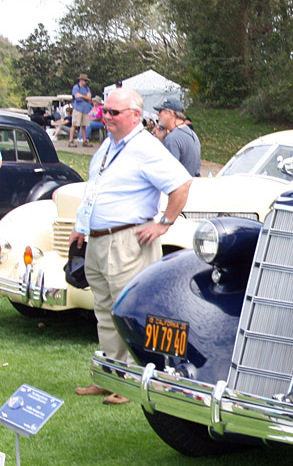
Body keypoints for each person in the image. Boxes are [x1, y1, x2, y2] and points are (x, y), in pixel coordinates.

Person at [70, 88, 192, 405]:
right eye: (104, 112)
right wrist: (81, 226)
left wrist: (164, 223)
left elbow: (181, 184)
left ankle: (136, 379)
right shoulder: (108, 147)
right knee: (104, 310)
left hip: (126, 240)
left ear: (135, 116)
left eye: (114, 113)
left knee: (131, 312)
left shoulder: (146, 148)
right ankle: (112, 374)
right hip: (98, 240)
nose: (106, 117)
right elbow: (96, 189)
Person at [155, 97, 202, 176]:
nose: (158, 114)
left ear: (171, 113)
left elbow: (168, 175)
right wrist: (163, 139)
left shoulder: (172, 139)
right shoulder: (192, 133)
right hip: (193, 184)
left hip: (181, 186)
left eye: (160, 111)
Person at [70, 72, 92, 147]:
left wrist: (82, 96)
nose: (86, 82)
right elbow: (76, 97)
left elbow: (89, 98)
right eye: (85, 81)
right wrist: (85, 97)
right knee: (74, 124)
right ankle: (71, 141)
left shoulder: (87, 88)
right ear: (81, 80)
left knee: (84, 125)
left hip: (85, 109)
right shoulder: (76, 87)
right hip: (78, 108)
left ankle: (84, 140)